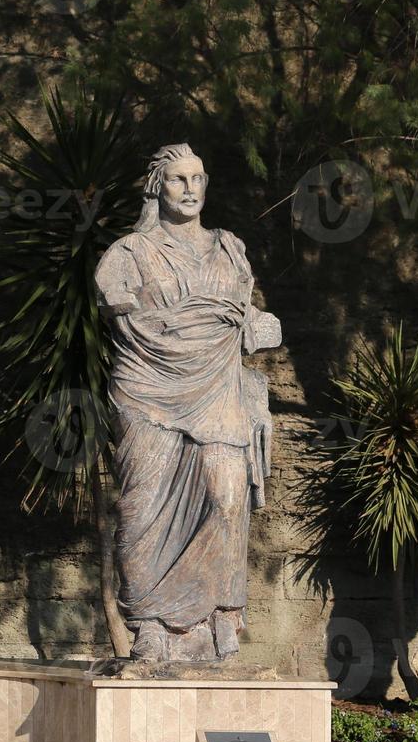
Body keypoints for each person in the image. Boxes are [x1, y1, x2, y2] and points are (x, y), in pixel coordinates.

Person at [94, 144, 281, 661]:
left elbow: (248, 316)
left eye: (198, 178)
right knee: (143, 506)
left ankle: (220, 615)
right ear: (157, 187)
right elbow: (129, 321)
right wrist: (208, 324)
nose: (190, 188)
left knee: (226, 500)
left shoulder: (230, 249)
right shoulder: (126, 255)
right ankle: (149, 623)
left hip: (218, 391)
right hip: (147, 391)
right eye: (178, 179)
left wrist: (256, 326)